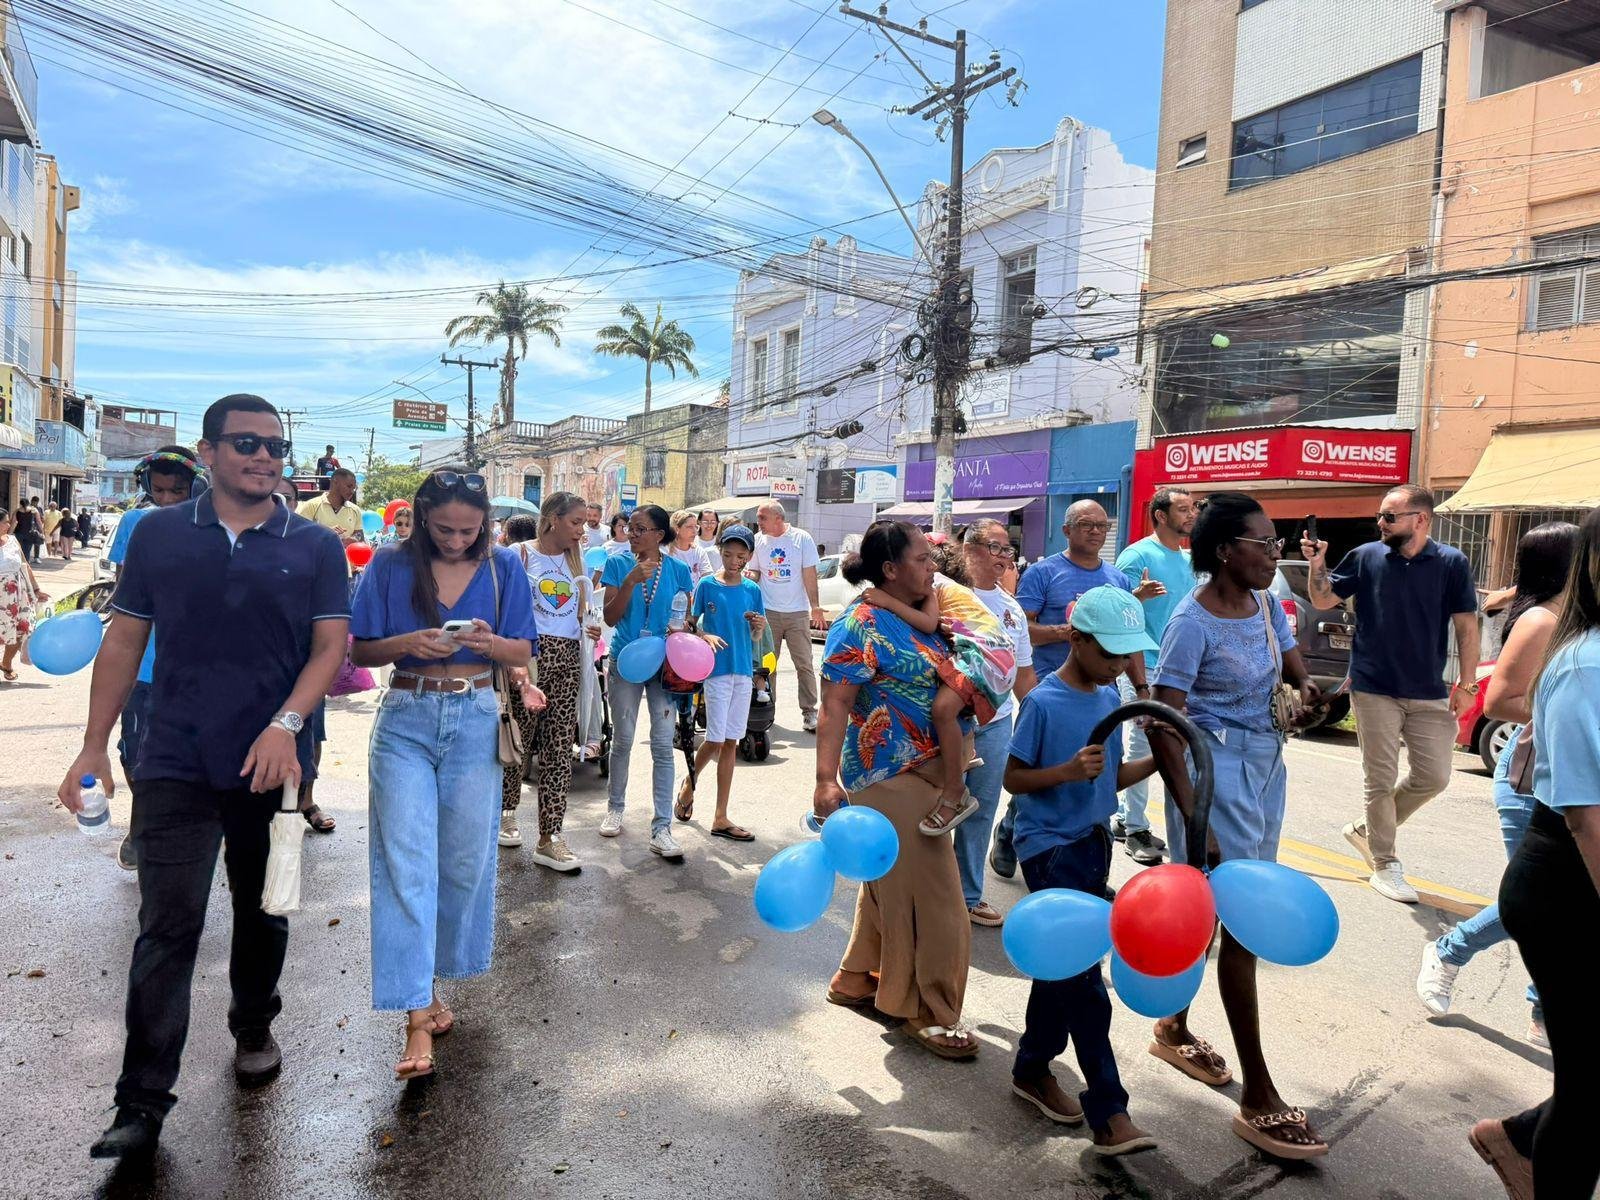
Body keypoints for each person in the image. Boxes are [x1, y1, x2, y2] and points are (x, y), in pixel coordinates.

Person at [58, 394, 350, 1160]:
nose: (264, 458)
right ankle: (141, 1102)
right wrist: (93, 746)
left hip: (283, 765)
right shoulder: (157, 535)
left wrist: (286, 725)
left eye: (276, 448)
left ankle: (254, 1024)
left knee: (270, 907)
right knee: (167, 926)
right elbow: (124, 640)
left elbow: (330, 650)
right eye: (247, 444)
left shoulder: (315, 546)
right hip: (175, 758)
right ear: (210, 450)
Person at [1146, 491, 1325, 1160]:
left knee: (1217, 916)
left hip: (1265, 766)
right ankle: (1258, 1093)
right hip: (1209, 771)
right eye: (1263, 541)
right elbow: (1162, 724)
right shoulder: (1191, 623)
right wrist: (1196, 813)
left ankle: (1172, 1025)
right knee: (1241, 923)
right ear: (1225, 550)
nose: (1274, 551)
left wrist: (1306, 694)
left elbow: (1287, 654)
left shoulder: (1264, 595)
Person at [349, 467, 537, 1081]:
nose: (456, 540)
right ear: (422, 519)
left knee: (462, 862)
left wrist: (489, 645)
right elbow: (361, 651)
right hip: (404, 716)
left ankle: (436, 982)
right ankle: (415, 1018)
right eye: (443, 529)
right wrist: (411, 641)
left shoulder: (505, 566)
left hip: (477, 715)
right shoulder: (388, 564)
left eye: (469, 530)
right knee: (405, 864)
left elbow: (522, 650)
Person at [1005, 586, 1160, 1155]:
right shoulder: (1044, 702)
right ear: (1077, 639)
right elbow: (1014, 780)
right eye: (1111, 653)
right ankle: (1109, 1110)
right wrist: (1066, 771)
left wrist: (1155, 761)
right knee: (1086, 984)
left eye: (1126, 656)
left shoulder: (1108, 698)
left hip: (1094, 842)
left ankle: (1031, 1067)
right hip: (1049, 847)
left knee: (1061, 968)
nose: (1120, 665)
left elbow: (1108, 779)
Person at [815, 521, 977, 1061]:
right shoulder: (858, 624)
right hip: (886, 775)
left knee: (891, 885)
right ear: (890, 569)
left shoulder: (925, 611)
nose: (933, 566)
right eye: (922, 559)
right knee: (938, 902)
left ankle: (857, 978)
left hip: (930, 772)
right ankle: (929, 1011)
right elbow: (835, 704)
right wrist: (823, 781)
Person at [1417, 522, 1575, 1047]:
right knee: (1536, 900)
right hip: (1532, 775)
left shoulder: (1574, 619)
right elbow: (1499, 702)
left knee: (1561, 902)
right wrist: (1571, 707)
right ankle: (1449, 950)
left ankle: (1542, 1010)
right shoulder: (1541, 620)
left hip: (1572, 773)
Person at [1481, 507, 1600, 1199]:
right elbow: (1589, 818)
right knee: (1589, 1092)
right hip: (1567, 885)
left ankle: (1517, 1138)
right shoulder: (1583, 662)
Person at [1303, 484, 1481, 904]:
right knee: (1378, 779)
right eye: (1380, 516)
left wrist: (1468, 684)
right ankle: (1385, 863)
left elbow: (1467, 626)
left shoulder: (1451, 562)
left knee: (1434, 776)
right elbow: (1324, 598)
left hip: (1427, 689)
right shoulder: (1366, 556)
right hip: (1373, 686)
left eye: (1389, 517)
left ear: (1421, 520)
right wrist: (1317, 562)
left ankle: (1367, 829)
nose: (1380, 523)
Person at [851, 547, 1015, 839]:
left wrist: (887, 601)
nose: (926, 565)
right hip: (988, 652)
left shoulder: (932, 584)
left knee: (943, 711)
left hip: (987, 654)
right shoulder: (937, 585)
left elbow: (926, 623)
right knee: (949, 699)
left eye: (925, 559)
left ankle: (956, 793)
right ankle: (964, 754)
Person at [107, 446, 203, 871]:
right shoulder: (134, 523)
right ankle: (141, 822)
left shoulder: (213, 527)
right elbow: (123, 585)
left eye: (176, 491)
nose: (166, 499)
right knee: (132, 751)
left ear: (194, 488)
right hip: (142, 665)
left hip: (195, 664)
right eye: (159, 490)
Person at [599, 504, 695, 859]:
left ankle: (662, 827)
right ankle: (615, 808)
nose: (632, 534)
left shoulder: (679, 570)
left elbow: (684, 617)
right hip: (625, 659)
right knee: (622, 739)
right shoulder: (617, 564)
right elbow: (610, 617)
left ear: (659, 534)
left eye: (640, 529)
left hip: (664, 664)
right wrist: (629, 581)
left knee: (661, 745)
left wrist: (682, 628)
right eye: (629, 528)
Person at [952, 520, 1035, 926]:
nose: (1006, 557)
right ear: (969, 549)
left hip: (997, 723)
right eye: (996, 548)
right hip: (949, 721)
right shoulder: (946, 594)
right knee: (938, 806)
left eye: (1009, 550)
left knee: (981, 809)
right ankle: (927, 892)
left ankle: (968, 895)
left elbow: (1023, 674)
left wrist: (1037, 719)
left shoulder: (1012, 609)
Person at [502, 493, 590, 872]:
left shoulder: (576, 561)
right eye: (575, 522)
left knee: (558, 747)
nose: (581, 530)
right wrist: (515, 666)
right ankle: (505, 813)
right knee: (518, 741)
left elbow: (581, 611)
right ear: (553, 519)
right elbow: (506, 611)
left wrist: (590, 624)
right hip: (530, 657)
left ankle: (550, 836)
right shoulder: (520, 554)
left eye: (585, 523)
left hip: (569, 656)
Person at [1111, 487, 1199, 866]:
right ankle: (1135, 827)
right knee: (1143, 745)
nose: (1192, 514)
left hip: (1180, 668)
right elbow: (1115, 607)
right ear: (1161, 515)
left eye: (1194, 508)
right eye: (1183, 509)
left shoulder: (1192, 559)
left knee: (1176, 744)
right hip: (1141, 664)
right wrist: (1138, 595)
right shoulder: (1137, 554)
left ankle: (1121, 817)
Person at [675, 524, 766, 841]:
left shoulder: (753, 590)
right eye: (727, 553)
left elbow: (756, 635)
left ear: (748, 557)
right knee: (714, 739)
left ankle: (721, 816)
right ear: (720, 552)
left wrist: (758, 625)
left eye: (740, 555)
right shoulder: (707, 585)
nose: (733, 559)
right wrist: (704, 635)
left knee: (732, 742)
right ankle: (690, 782)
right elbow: (688, 623)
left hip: (743, 670)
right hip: (715, 671)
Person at [751, 501, 825, 733]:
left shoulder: (801, 538)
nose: (759, 522)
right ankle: (768, 710)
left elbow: (809, 573)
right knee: (766, 664)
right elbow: (755, 571)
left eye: (762, 517)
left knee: (803, 663)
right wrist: (746, 577)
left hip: (796, 612)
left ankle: (810, 712)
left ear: (778, 518)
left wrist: (815, 606)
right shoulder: (757, 540)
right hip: (767, 611)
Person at [1, 507, 47, 682]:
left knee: (21, 629)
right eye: (6, 521)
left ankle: (6, 663)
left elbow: (25, 565)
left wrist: (36, 590)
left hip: (17, 596)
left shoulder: (13, 540)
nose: (10, 524)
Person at [298, 466, 362, 544]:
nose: (352, 491)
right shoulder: (311, 506)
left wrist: (354, 538)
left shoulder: (355, 510)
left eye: (354, 488)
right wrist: (325, 533)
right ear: (335, 481)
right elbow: (300, 535)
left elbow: (359, 534)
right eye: (349, 486)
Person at [667, 508, 714, 587]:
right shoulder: (665, 552)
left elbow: (707, 577)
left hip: (694, 597)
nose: (695, 531)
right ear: (676, 528)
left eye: (696, 527)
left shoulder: (699, 551)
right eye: (690, 527)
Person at [12, 497, 43, 563]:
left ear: (20, 504)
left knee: (18, 551)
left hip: (18, 533)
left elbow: (13, 523)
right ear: (28, 503)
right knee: (27, 551)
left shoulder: (17, 511)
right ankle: (26, 565)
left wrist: (9, 533)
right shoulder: (34, 510)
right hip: (29, 533)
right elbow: (39, 522)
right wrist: (42, 532)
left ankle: (18, 565)